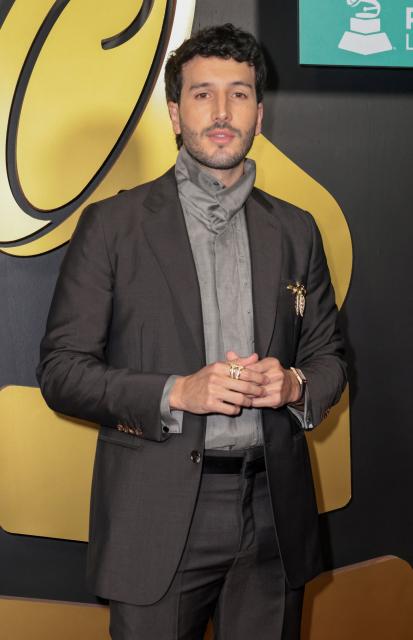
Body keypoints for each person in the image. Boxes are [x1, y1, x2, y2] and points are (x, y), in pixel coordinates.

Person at [37, 23, 346, 640]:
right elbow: (62, 371)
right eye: (203, 94)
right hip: (155, 516)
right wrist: (176, 392)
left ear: (260, 113)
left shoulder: (297, 229)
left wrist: (291, 384)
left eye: (239, 93)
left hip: (271, 515)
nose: (223, 110)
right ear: (175, 113)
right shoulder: (112, 226)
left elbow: (330, 358)